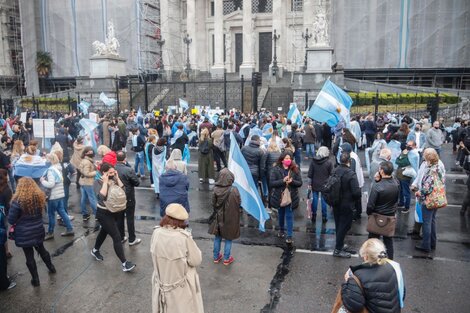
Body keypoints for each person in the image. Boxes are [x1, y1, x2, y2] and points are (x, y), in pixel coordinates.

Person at [150, 203, 204, 313]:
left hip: (160, 284)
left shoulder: (156, 232)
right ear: (181, 221)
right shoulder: (184, 237)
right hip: (180, 288)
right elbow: (196, 260)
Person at [8, 178, 56, 287]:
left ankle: (36, 279)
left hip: (24, 233)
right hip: (38, 229)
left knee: (29, 255)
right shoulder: (39, 197)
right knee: (42, 249)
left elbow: (11, 220)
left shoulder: (17, 201)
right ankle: (51, 268)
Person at [91, 162, 136, 272]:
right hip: (103, 213)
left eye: (113, 172)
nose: (112, 174)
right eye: (110, 173)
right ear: (103, 173)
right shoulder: (98, 182)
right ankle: (125, 263)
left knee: (104, 231)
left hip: (114, 212)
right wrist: (105, 182)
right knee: (116, 236)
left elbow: (122, 190)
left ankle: (95, 250)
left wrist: (117, 177)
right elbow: (101, 197)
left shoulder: (114, 179)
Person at [341, 239, 405, 313]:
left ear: (366, 256)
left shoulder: (358, 276)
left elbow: (353, 306)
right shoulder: (393, 267)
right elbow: (402, 294)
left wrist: (347, 283)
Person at [414, 148, 446, 253]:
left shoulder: (429, 169)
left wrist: (419, 192)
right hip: (437, 198)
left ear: (428, 158)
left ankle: (426, 245)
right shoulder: (439, 167)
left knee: (426, 222)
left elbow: (426, 187)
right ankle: (432, 243)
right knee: (432, 221)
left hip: (428, 200)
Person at [367, 161, 400, 259]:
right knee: (388, 241)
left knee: (372, 241)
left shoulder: (377, 186)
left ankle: (371, 260)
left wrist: (369, 214)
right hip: (390, 215)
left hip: (376, 215)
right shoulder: (396, 183)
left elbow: (370, 205)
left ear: (381, 171)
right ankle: (390, 261)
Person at [209, 168, 241, 266]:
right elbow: (239, 203)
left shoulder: (215, 189)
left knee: (217, 237)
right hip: (231, 218)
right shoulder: (234, 190)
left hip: (219, 217)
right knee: (228, 238)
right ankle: (227, 258)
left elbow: (213, 204)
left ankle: (216, 256)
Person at [332, 152, 361, 258]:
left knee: (338, 225)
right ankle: (338, 249)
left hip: (335, 202)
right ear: (349, 161)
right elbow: (356, 192)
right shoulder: (351, 174)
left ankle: (339, 244)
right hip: (347, 204)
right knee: (344, 226)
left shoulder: (335, 170)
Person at [269, 151, 302, 244]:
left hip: (291, 197)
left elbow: (300, 183)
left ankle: (289, 235)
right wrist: (282, 181)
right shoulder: (275, 169)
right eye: (286, 158)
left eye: (289, 158)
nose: (288, 160)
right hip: (279, 196)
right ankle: (281, 230)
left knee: (289, 215)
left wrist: (292, 182)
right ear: (282, 159)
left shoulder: (295, 169)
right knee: (281, 213)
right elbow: (272, 183)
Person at [41, 153, 75, 239]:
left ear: (50, 160)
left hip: (53, 196)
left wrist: (42, 181)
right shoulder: (58, 168)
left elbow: (51, 184)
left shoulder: (50, 170)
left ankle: (50, 232)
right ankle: (70, 229)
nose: (46, 161)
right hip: (60, 195)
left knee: (51, 215)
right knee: (62, 212)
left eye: (47, 159)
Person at [115, 151, 141, 246]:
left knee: (119, 218)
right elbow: (137, 183)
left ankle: (121, 237)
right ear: (125, 159)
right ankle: (132, 239)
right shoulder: (128, 170)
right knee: (130, 218)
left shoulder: (113, 168)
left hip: (117, 196)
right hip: (128, 196)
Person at [307, 146, 333, 224]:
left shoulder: (313, 161)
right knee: (323, 201)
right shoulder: (329, 162)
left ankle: (314, 215)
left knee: (314, 200)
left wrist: (309, 184)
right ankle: (324, 216)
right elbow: (331, 175)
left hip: (315, 184)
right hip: (325, 185)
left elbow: (310, 174)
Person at [0, 169, 15, 290]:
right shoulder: (6, 190)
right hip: (3, 217)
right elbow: (10, 205)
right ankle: (6, 251)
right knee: (3, 234)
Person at [78, 146, 98, 221]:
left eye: (91, 151)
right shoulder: (87, 162)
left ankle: (85, 214)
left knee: (84, 198)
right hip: (88, 182)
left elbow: (80, 169)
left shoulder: (84, 160)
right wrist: (95, 172)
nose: (91, 152)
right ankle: (97, 215)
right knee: (92, 198)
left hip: (83, 182)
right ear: (85, 153)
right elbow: (87, 173)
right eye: (89, 151)